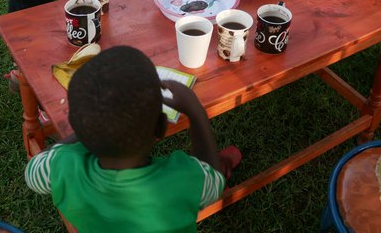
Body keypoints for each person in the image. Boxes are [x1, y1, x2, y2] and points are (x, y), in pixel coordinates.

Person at [25, 46, 236, 232]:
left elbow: (34, 169)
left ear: (76, 124)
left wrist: (87, 126)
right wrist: (196, 113)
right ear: (161, 127)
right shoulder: (186, 179)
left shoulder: (63, 168)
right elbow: (215, 178)